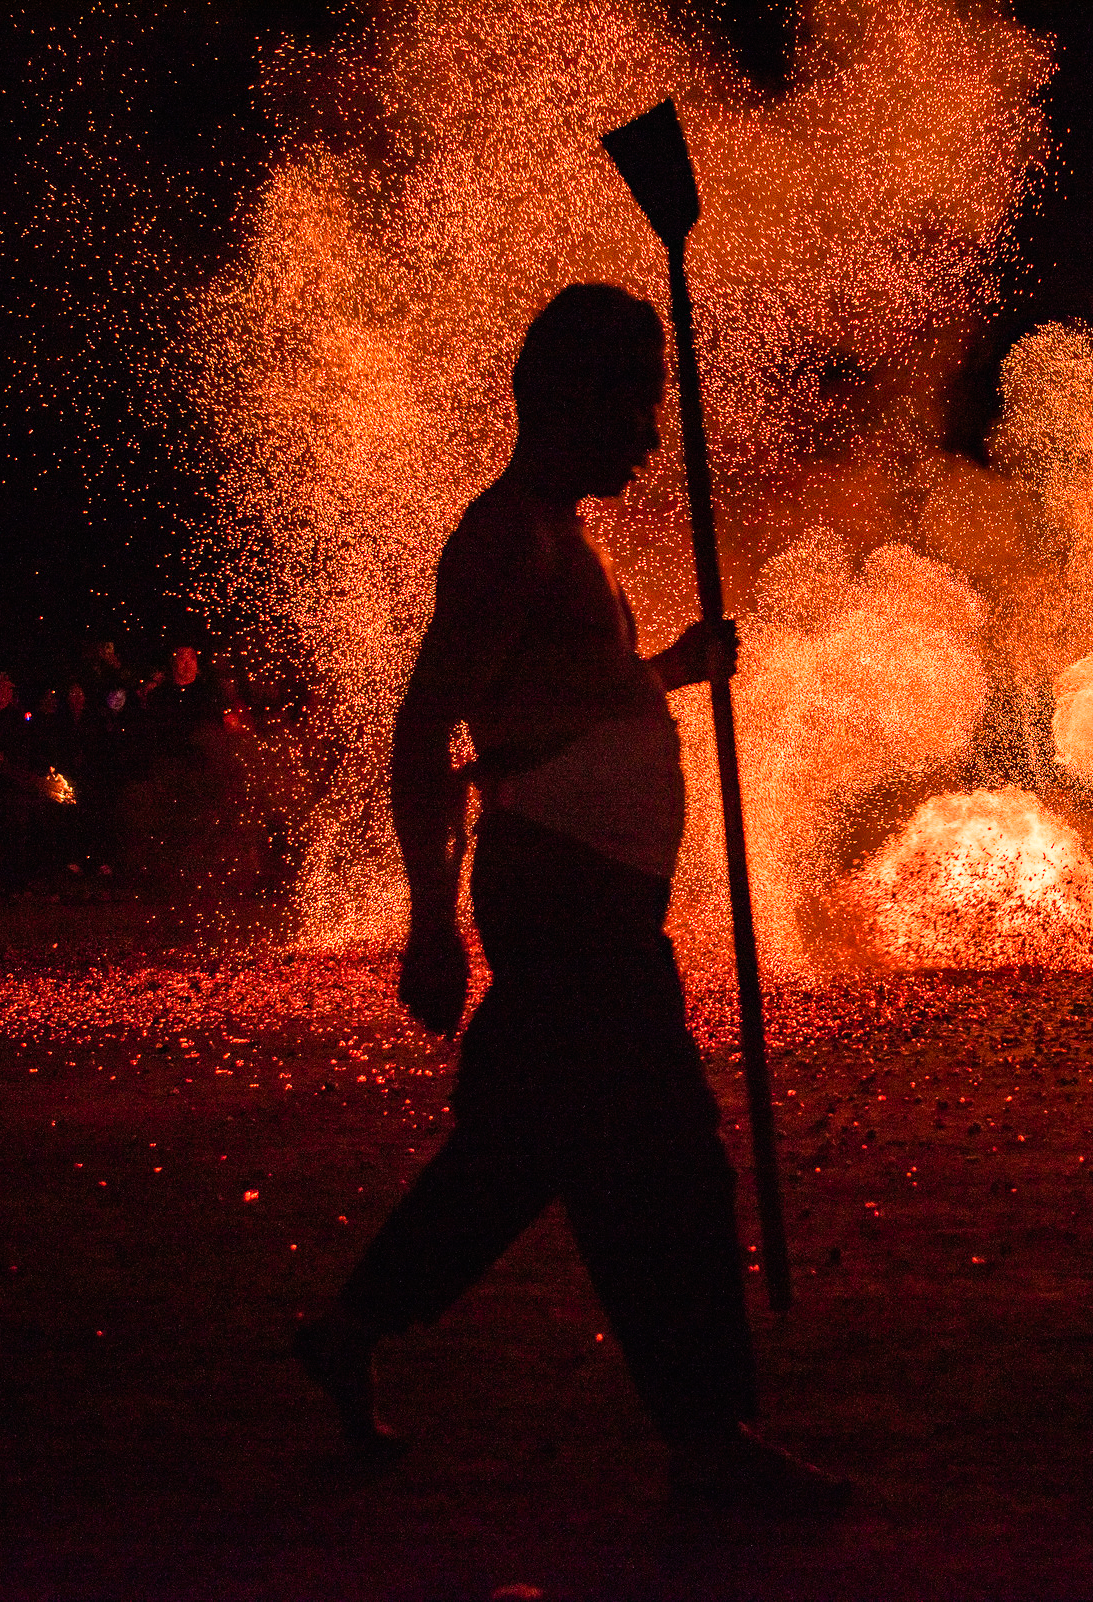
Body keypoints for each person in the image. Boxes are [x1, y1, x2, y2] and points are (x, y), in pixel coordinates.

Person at [289, 284, 847, 1508]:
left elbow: (555, 709)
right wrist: (430, 925)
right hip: (565, 903)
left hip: (587, 895)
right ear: (567, 397)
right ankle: (710, 1444)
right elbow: (428, 729)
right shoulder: (509, 540)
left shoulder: (561, 536)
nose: (651, 434)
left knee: (523, 1150)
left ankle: (351, 1327)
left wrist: (673, 671)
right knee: (665, 1169)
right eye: (636, 402)